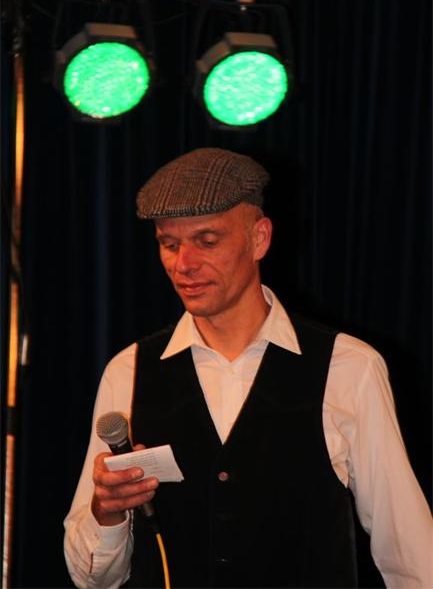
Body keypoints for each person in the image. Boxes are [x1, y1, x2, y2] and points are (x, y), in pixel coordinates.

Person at [64, 147, 432, 589]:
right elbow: (91, 578)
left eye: (207, 241)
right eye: (169, 244)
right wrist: (107, 512)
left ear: (259, 238)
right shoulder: (129, 371)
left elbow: (409, 552)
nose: (184, 264)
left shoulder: (348, 366)